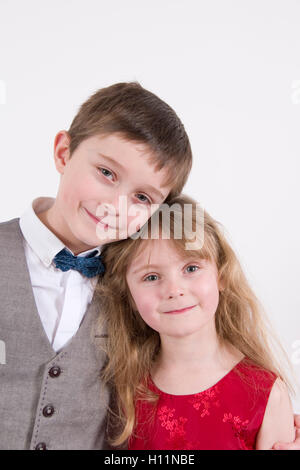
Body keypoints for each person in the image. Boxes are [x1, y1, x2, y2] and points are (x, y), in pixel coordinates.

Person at [0, 82, 193, 450]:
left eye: (141, 197)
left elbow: (191, 367)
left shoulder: (139, 289)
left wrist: (265, 424)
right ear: (63, 152)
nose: (115, 205)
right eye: (106, 173)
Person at [96, 194, 300, 450]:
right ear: (128, 294)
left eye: (191, 268)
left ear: (221, 275)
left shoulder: (265, 394)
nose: (174, 289)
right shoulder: (123, 385)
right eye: (151, 277)